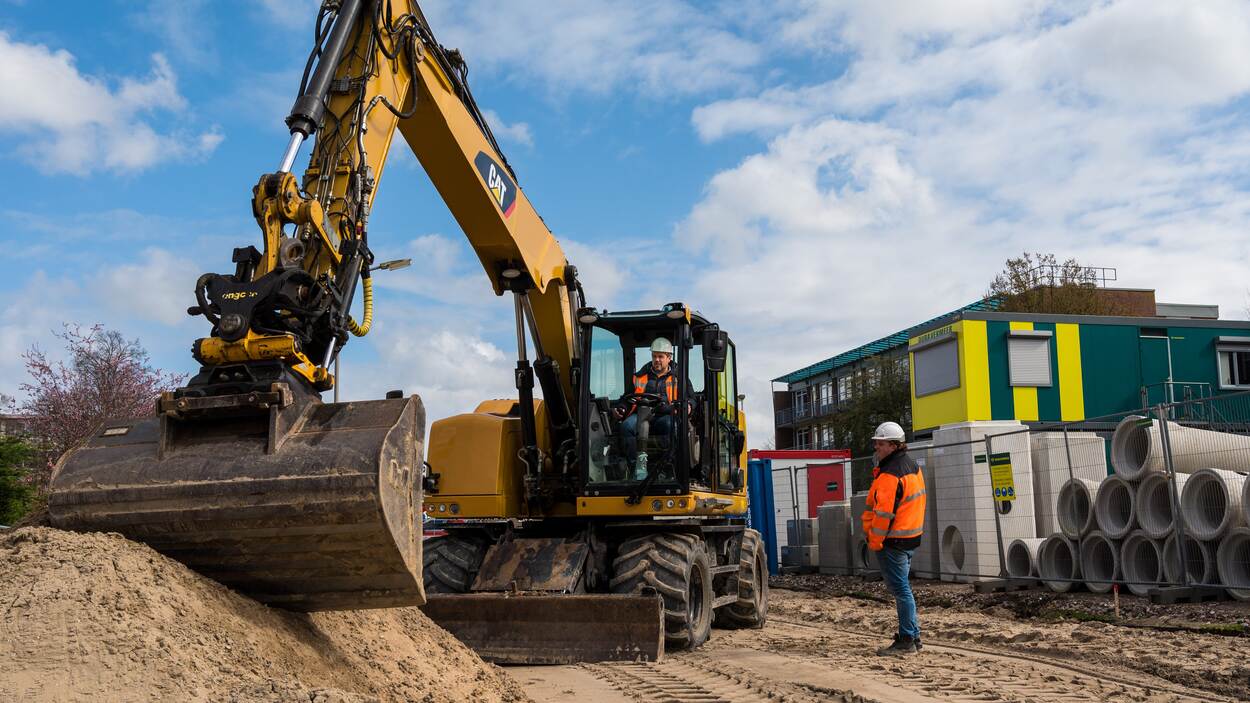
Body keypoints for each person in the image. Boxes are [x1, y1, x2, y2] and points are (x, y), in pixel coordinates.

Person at [862, 420, 927, 656]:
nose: (876, 447)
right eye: (876, 443)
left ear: (893, 445)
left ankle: (907, 640)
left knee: (901, 590)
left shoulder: (890, 474)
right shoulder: (911, 466)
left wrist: (875, 542)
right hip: (910, 536)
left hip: (893, 541)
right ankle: (914, 636)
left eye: (880, 443)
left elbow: (883, 514)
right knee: (903, 588)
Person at [617, 337, 690, 480]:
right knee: (626, 426)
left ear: (669, 358)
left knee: (670, 425)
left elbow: (691, 398)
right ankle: (636, 467)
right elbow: (628, 397)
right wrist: (621, 408)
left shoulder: (679, 378)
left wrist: (689, 406)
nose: (656, 360)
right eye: (654, 356)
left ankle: (666, 467)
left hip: (665, 415)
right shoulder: (640, 376)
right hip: (641, 415)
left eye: (660, 356)